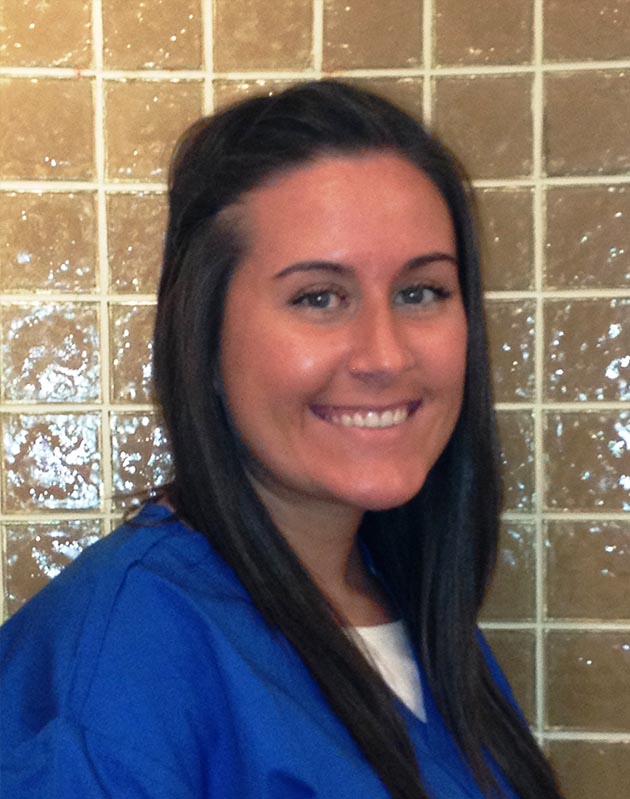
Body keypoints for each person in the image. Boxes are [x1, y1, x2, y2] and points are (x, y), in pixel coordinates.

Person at [0, 81, 564, 799]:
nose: (385, 355)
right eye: (318, 297)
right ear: (203, 337)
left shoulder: (408, 608)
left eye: (420, 291)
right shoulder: (124, 663)